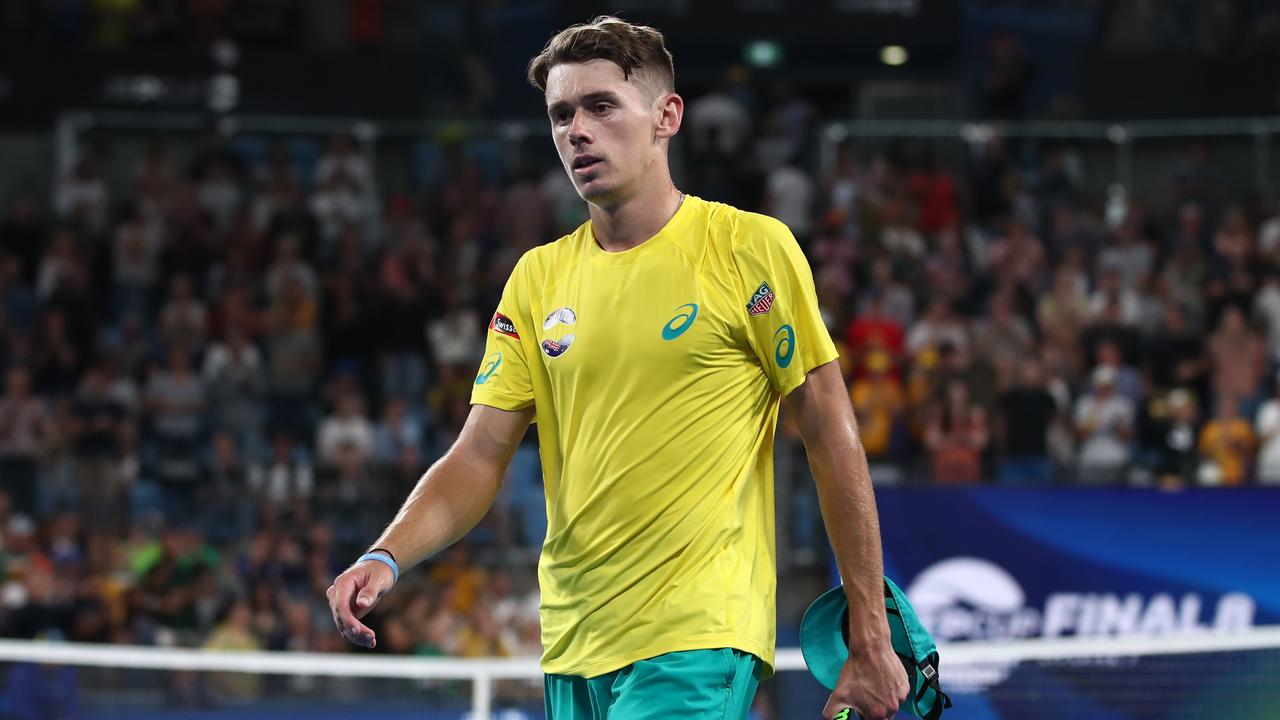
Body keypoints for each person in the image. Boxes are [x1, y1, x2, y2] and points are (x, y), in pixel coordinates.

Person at [325, 16, 907, 720]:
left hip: (695, 636)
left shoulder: (748, 247)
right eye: (561, 114)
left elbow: (830, 434)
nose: (577, 130)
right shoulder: (536, 280)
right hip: (572, 646)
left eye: (601, 107)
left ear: (667, 116)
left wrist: (870, 633)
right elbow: (479, 453)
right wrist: (385, 556)